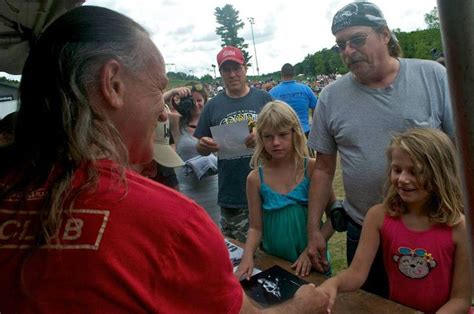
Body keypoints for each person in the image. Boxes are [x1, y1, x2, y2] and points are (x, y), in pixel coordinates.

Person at [0, 6, 329, 313]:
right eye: (158, 89)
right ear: (112, 85)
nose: (163, 111)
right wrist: (302, 308)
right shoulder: (175, 224)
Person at [307, 1, 455, 297]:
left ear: (385, 34)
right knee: (366, 304)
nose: (348, 51)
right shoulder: (330, 96)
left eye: (357, 40)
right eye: (340, 45)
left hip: (429, 228)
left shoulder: (432, 76)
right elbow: (323, 167)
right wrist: (314, 229)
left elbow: (459, 151)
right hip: (363, 229)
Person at [318, 128, 472, 313]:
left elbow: (461, 299)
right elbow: (356, 273)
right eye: (397, 170)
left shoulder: (460, 227)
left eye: (415, 172)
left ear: (440, 174)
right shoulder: (378, 216)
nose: (402, 179)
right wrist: (333, 283)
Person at [235, 101, 335, 280]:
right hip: (275, 264)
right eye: (268, 136)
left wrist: (311, 248)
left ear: (294, 133)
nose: (276, 143)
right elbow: (255, 227)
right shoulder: (255, 179)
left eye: (282, 135)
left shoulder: (313, 170)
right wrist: (247, 256)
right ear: (260, 139)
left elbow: (334, 215)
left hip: (313, 261)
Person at [195, 45, 273, 243]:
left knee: (273, 251)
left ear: (245, 68)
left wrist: (262, 137)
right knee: (241, 253)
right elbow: (200, 146)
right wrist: (203, 146)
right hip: (233, 192)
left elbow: (285, 135)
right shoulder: (213, 106)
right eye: (226, 69)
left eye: (236, 68)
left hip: (269, 187)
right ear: (220, 72)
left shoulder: (263, 99)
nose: (232, 74)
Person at [175, 92, 220, 226]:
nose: (196, 104)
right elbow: (157, 110)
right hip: (187, 189)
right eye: (191, 101)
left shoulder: (213, 120)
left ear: (205, 101)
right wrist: (173, 94)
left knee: (215, 228)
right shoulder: (176, 123)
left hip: (212, 188)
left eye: (199, 100)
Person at [269, 63, 317, 136]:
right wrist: (314, 126)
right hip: (304, 131)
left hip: (283, 134)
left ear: (281, 74)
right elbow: (316, 107)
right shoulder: (305, 89)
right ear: (294, 73)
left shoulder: (273, 92)